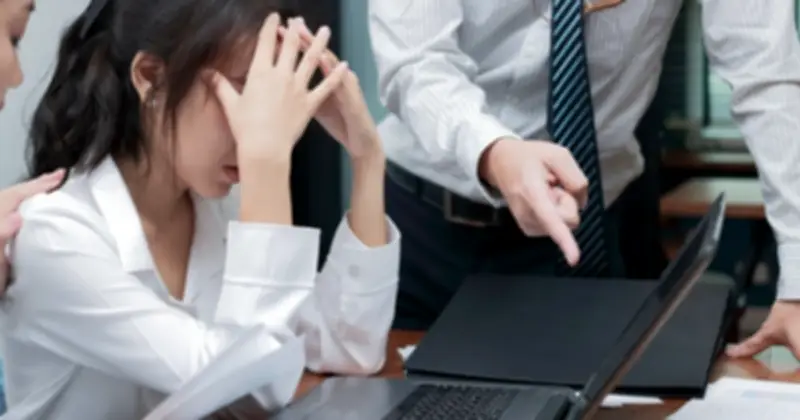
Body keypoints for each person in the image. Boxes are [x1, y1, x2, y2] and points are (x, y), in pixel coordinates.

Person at [1, 0, 400, 418]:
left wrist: (367, 158)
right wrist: (265, 164)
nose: (262, 123)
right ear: (151, 78)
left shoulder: (211, 209)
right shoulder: (56, 235)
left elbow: (347, 347)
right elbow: (247, 386)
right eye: (246, 91)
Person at [368, 0, 800, 356]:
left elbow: (766, 76)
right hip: (424, 229)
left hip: (586, 230)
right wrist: (494, 152)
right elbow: (415, 62)